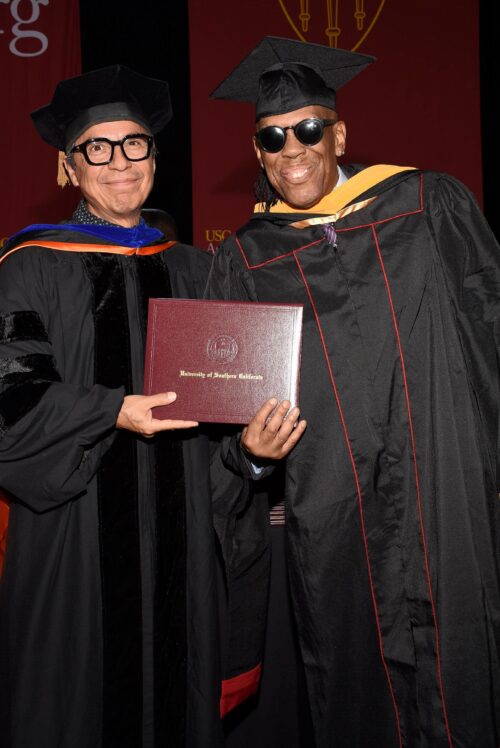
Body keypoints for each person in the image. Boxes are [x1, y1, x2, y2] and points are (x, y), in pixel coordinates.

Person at [0, 64, 307, 748]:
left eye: (135, 144)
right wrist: (115, 411)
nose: (119, 162)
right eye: (97, 148)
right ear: (66, 167)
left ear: (155, 159)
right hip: (74, 547)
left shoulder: (201, 272)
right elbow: (12, 406)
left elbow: (222, 437)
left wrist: (252, 457)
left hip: (184, 552)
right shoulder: (26, 269)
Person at [207, 36, 500, 748]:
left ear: (339, 132)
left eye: (308, 129)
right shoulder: (245, 258)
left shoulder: (427, 205)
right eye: (272, 137)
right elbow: (224, 414)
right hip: (332, 505)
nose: (292, 148)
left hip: (446, 492)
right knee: (351, 672)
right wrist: (245, 453)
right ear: (258, 152)